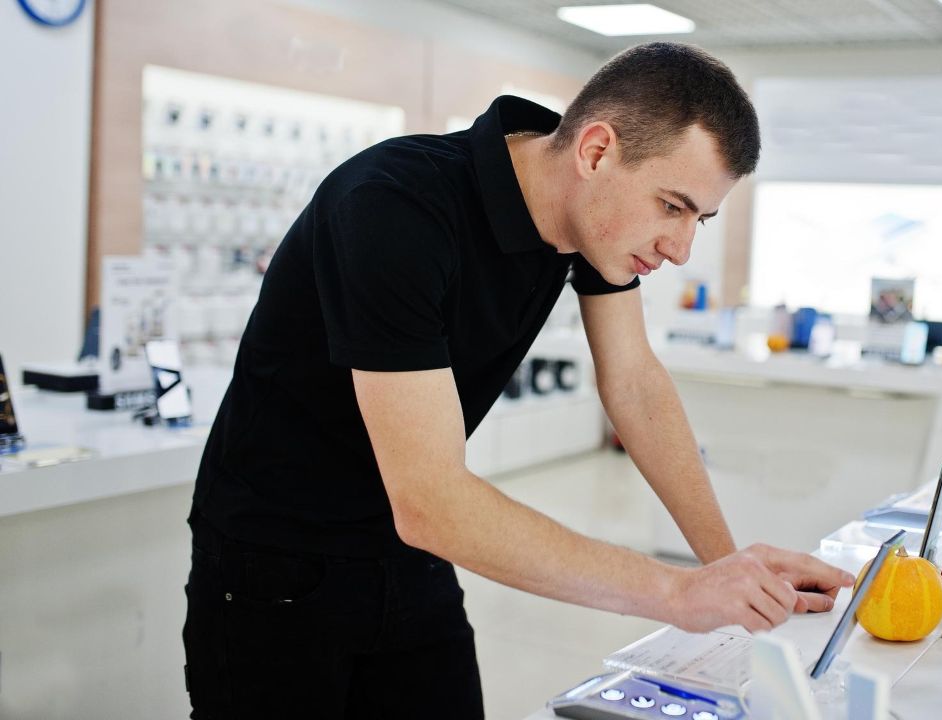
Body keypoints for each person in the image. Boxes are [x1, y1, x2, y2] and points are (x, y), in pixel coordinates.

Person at [182, 42, 854, 719]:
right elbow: (430, 500)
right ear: (596, 151)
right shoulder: (393, 206)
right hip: (276, 560)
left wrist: (728, 569)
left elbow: (634, 384)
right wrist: (676, 593)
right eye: (672, 207)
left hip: (409, 552)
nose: (681, 249)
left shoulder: (589, 218)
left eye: (698, 220)